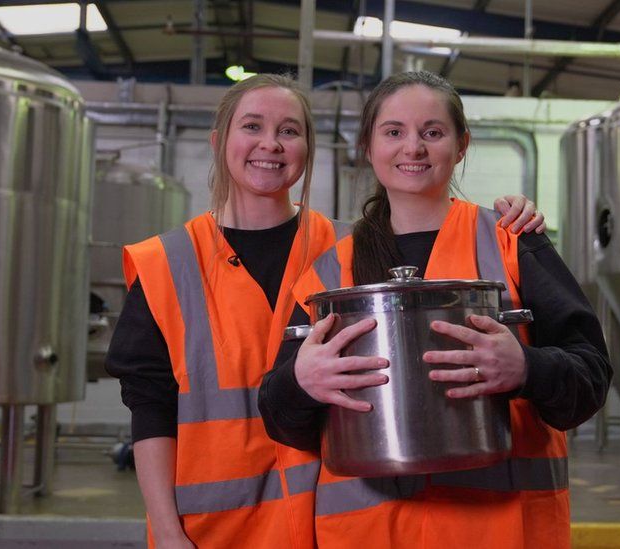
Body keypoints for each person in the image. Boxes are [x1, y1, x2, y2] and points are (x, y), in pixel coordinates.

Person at [105, 73, 549, 549]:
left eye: (290, 131)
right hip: (209, 532)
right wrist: (168, 531)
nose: (270, 145)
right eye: (252, 127)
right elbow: (150, 408)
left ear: (308, 148)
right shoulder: (165, 264)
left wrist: (511, 212)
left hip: (329, 526)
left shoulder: (351, 250)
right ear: (220, 142)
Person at [259, 71, 612, 549]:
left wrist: (525, 367)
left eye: (432, 132)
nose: (413, 148)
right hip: (369, 534)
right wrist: (302, 382)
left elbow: (590, 375)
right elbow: (280, 417)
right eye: (393, 132)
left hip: (498, 533)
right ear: (368, 146)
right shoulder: (331, 270)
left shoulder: (511, 244)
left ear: (461, 145)